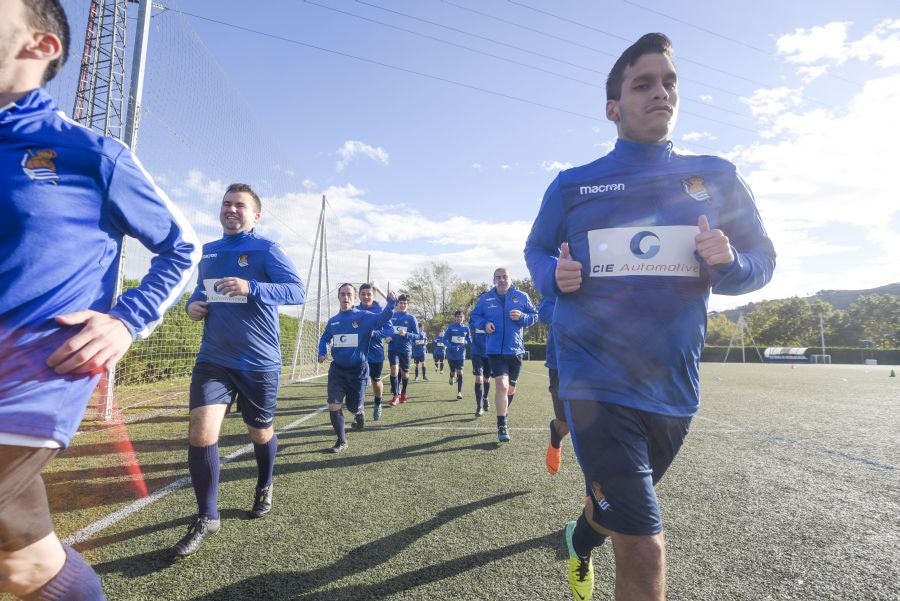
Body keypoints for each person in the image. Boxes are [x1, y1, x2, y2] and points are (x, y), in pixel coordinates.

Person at [524, 33, 776, 601]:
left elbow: (764, 260)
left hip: (672, 387)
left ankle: (579, 537)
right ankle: (594, 535)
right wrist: (551, 277)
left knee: (612, 512)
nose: (660, 92)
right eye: (644, 84)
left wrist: (732, 264)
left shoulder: (715, 176)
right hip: (596, 381)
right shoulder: (573, 185)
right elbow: (537, 250)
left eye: (668, 82)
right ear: (613, 108)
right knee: (643, 540)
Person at [0, 0, 200, 597]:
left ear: (41, 46)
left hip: (36, 372)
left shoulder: (88, 154)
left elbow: (182, 247)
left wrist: (127, 320)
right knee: (24, 567)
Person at [175, 183, 305, 556]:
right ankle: (207, 516)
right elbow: (199, 293)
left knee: (260, 433)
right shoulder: (209, 252)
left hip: (259, 363)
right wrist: (192, 307)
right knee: (201, 432)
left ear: (255, 214)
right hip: (213, 359)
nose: (231, 210)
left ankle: (264, 483)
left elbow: (296, 290)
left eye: (240, 205)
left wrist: (251, 286)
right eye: (226, 204)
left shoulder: (266, 249)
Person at [318, 284, 396, 452]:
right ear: (338, 297)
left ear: (354, 298)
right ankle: (341, 440)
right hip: (337, 371)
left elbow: (382, 320)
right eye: (343, 294)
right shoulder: (333, 321)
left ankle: (359, 413)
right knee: (334, 405)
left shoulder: (364, 316)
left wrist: (390, 304)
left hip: (358, 371)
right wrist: (322, 351)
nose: (345, 297)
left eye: (349, 294)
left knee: (353, 407)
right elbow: (324, 338)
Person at [470, 268, 537, 442]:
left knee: (511, 389)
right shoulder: (485, 298)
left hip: (515, 350)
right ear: (493, 280)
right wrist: (484, 324)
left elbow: (534, 316)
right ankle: (502, 425)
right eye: (498, 277)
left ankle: (503, 412)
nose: (502, 280)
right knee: (501, 385)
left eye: (504, 276)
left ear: (510, 278)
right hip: (494, 350)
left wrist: (522, 316)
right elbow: (475, 317)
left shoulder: (522, 296)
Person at [538, 295, 568, 475]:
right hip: (560, 362)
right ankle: (556, 435)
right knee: (565, 424)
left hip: (595, 361)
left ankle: (596, 494)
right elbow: (544, 314)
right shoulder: (558, 282)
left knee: (594, 426)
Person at [357, 283, 392, 421]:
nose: (366, 296)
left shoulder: (380, 311)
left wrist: (375, 333)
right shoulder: (355, 310)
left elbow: (389, 330)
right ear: (359, 295)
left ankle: (378, 403)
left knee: (376, 380)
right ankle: (359, 412)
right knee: (359, 383)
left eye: (369, 294)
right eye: (363, 294)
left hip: (376, 353)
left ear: (373, 296)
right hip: (359, 354)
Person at [386, 295, 421, 406]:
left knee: (405, 374)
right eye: (400, 303)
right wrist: (387, 337)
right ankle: (395, 395)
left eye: (405, 303)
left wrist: (406, 334)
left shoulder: (411, 318)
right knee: (394, 371)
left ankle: (404, 393)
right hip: (393, 348)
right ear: (397, 304)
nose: (402, 305)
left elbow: (417, 335)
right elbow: (386, 330)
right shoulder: (392, 316)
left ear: (408, 305)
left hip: (405, 350)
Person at [443, 310, 472, 401]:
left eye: (461, 317)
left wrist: (474, 347)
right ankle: (451, 376)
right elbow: (444, 340)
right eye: (457, 316)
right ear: (455, 318)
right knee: (453, 372)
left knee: (460, 372)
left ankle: (459, 392)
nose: (459, 318)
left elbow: (469, 340)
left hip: (461, 355)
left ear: (464, 318)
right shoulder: (451, 327)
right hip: (451, 354)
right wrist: (451, 347)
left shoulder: (466, 328)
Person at [469, 315, 492, 417]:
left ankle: (485, 397)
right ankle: (479, 407)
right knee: (479, 378)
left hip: (490, 353)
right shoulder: (474, 317)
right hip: (477, 353)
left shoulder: (493, 316)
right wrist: (472, 345)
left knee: (487, 379)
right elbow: (468, 333)